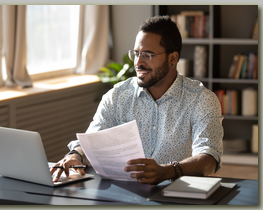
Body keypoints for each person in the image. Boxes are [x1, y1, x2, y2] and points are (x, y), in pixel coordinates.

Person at [50, 15, 223, 185]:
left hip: (176, 194)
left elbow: (210, 158)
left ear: (172, 58)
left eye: (148, 55)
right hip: (124, 192)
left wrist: (167, 171)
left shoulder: (201, 99)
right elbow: (92, 142)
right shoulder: (118, 95)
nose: (138, 62)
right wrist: (76, 155)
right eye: (136, 53)